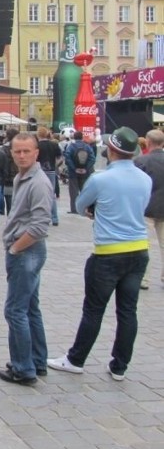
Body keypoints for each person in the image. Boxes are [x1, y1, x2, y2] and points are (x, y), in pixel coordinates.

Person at [48, 127, 152, 381]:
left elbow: (82, 204)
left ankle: (76, 359)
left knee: (94, 310)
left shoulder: (101, 179)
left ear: (112, 150)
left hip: (108, 252)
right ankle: (120, 366)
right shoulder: (144, 178)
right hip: (138, 249)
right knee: (128, 311)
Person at [0, 132, 54, 386]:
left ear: (36, 152)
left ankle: (23, 368)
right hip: (24, 250)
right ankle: (37, 360)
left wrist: (15, 249)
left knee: (15, 310)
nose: (21, 155)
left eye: (26, 151)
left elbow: (41, 225)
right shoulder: (23, 176)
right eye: (17, 151)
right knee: (30, 307)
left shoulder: (38, 182)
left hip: (26, 251)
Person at [135, 129, 164, 289]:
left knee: (145, 244)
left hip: (146, 208)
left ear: (148, 142)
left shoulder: (141, 161)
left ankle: (144, 279)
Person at [64, 131, 95, 214]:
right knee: (84, 191)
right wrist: (86, 168)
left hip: (73, 173)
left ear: (74, 137)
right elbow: (92, 159)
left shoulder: (71, 147)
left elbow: (67, 158)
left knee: (73, 191)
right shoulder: (87, 147)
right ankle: (85, 208)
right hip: (85, 173)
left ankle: (74, 209)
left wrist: (74, 169)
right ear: (82, 137)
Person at [36, 126, 61, 226]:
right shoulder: (54, 144)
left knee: (39, 195)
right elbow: (60, 157)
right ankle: (54, 218)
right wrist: (56, 166)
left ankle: (42, 218)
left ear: (39, 135)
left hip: (39, 171)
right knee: (51, 195)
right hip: (51, 171)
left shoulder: (37, 146)